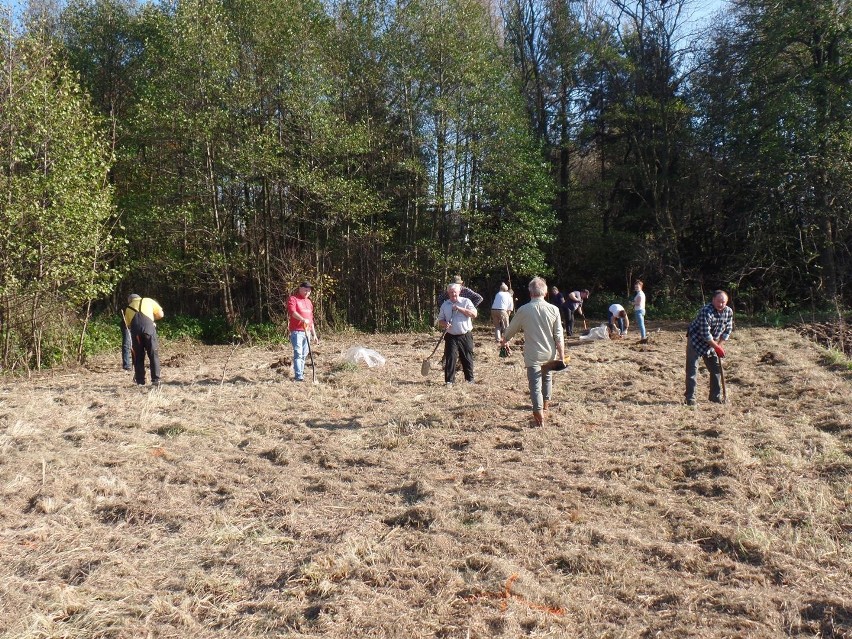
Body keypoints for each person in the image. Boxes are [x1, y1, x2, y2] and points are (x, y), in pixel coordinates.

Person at [501, 277, 565, 427]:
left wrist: (505, 340)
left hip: (532, 354)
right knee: (547, 378)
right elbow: (559, 335)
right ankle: (546, 405)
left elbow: (511, 329)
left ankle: (538, 414)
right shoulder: (554, 309)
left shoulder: (524, 310)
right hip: (549, 352)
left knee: (535, 384)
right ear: (546, 292)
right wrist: (561, 355)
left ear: (530, 293)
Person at [685, 290, 733, 406]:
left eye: (723, 302)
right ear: (713, 300)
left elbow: (727, 330)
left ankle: (714, 397)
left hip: (713, 343)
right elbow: (705, 334)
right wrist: (716, 347)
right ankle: (690, 399)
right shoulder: (706, 311)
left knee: (716, 369)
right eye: (718, 301)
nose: (721, 304)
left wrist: (719, 345)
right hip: (696, 341)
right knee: (692, 370)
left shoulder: (728, 311)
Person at [437, 282, 478, 385]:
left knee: (467, 357)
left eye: (455, 292)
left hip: (465, 335)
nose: (453, 294)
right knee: (450, 358)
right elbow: (440, 320)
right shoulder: (445, 305)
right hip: (451, 336)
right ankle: (449, 381)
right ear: (448, 293)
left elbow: (474, 314)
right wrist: (445, 324)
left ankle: (469, 380)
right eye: (451, 292)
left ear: (459, 292)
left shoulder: (466, 301)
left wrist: (459, 308)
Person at [124, 294, 164, 386]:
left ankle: (140, 381)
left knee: (138, 357)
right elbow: (161, 314)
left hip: (136, 334)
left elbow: (127, 324)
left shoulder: (129, 308)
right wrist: (152, 321)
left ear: (130, 301)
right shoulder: (148, 300)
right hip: (149, 331)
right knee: (153, 354)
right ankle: (156, 380)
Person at [287, 281, 319, 382]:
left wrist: (314, 334)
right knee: (298, 353)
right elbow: (292, 312)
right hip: (297, 332)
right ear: (300, 288)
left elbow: (311, 319)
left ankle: (301, 373)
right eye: (305, 290)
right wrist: (302, 319)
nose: (307, 292)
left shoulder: (309, 302)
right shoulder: (293, 299)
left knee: (304, 354)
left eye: (309, 290)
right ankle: (299, 376)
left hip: (307, 332)